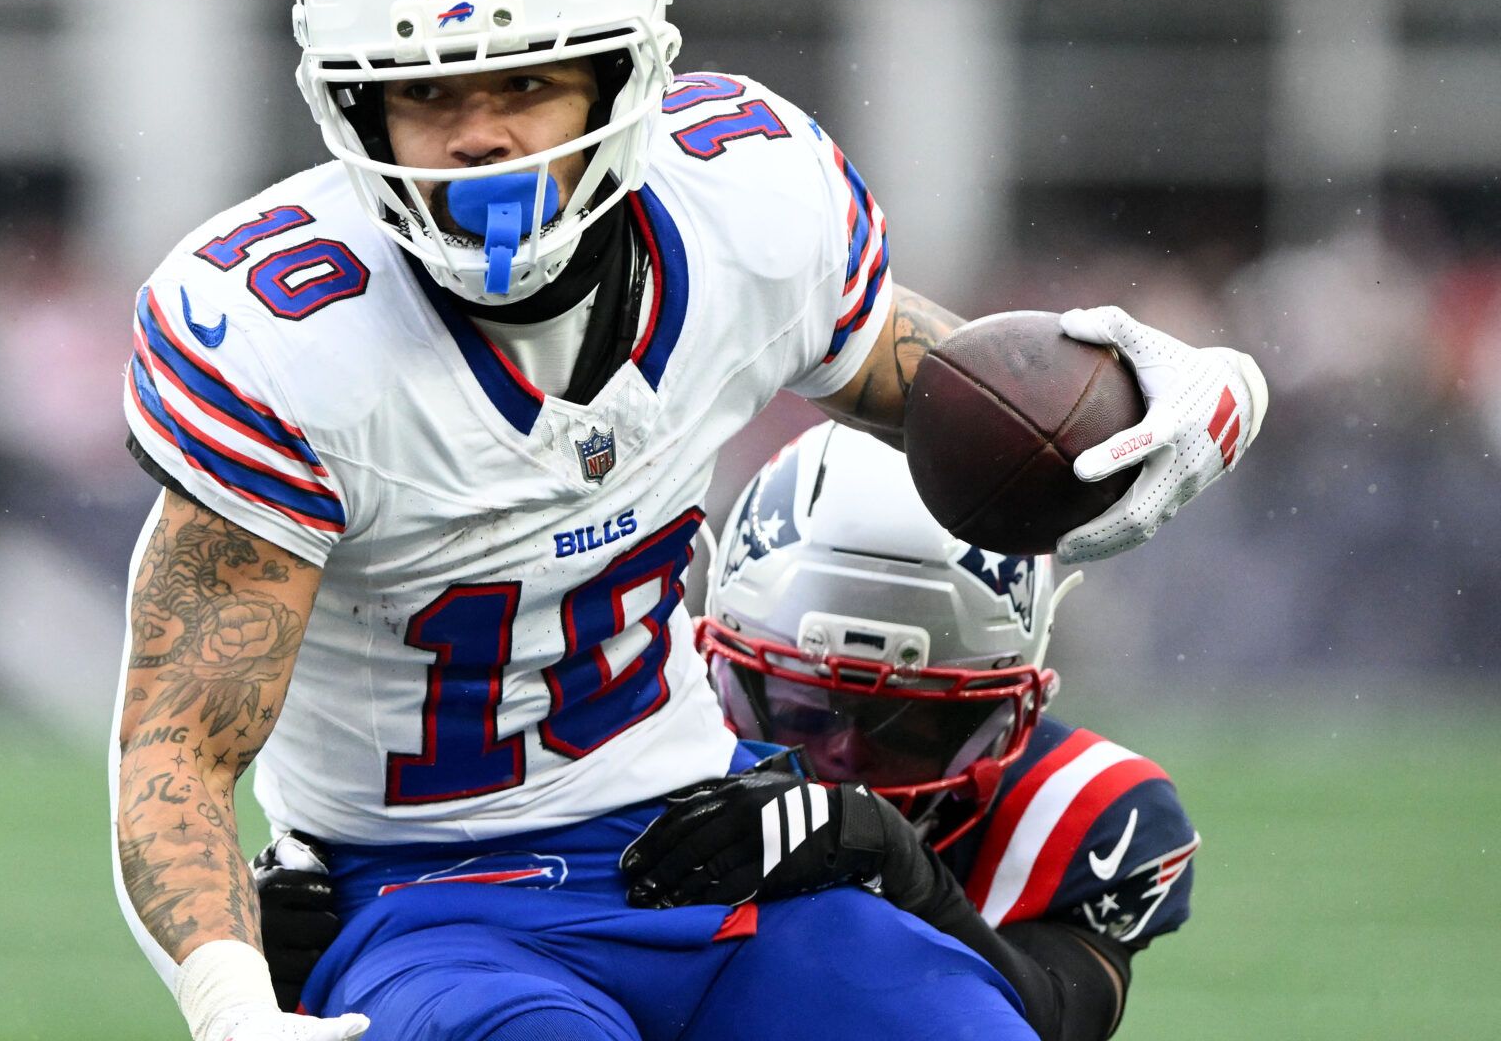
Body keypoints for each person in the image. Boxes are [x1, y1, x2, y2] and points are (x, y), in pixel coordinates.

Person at [112, 0, 1263, 1041]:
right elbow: (176, 748)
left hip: (700, 843)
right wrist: (229, 998)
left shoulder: (744, 211)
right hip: (425, 899)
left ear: (626, 74)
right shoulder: (289, 334)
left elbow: (959, 398)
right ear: (355, 105)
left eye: (528, 81)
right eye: (428, 91)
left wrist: (1184, 395)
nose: (478, 136)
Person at [255, 425, 1197, 1040]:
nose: (838, 756)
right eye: (796, 708)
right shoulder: (623, 725)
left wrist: (909, 875)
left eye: (910, 725)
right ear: (706, 653)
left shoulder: (1082, 810)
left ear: (1013, 707)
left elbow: (1057, 1023)